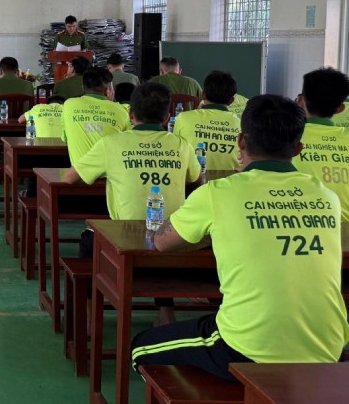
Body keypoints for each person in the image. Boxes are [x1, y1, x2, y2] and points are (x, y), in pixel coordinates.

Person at [132, 95, 349, 381]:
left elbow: (161, 242)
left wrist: (210, 235)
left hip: (247, 348)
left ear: (241, 142)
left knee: (139, 349)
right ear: (298, 149)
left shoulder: (218, 192)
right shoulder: (326, 196)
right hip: (329, 347)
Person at [65, 83, 199, 324]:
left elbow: (71, 178)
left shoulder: (111, 144)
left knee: (88, 241)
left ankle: (88, 315)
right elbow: (195, 177)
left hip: (123, 243)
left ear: (130, 114)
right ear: (168, 116)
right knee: (162, 239)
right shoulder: (181, 144)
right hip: (173, 241)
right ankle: (166, 313)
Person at [293, 68, 349, 223]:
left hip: (302, 227)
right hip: (348, 231)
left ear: (300, 101)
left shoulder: (288, 138)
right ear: (340, 109)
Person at [173, 71, 241, 170]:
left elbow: (177, 152)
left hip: (194, 183)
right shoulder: (241, 124)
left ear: (203, 95)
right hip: (230, 182)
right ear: (231, 101)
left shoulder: (183, 118)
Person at [61, 67, 130, 164]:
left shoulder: (68, 105)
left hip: (78, 175)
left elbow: (64, 138)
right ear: (108, 90)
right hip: (111, 176)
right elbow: (127, 145)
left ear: (83, 87)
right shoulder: (122, 111)